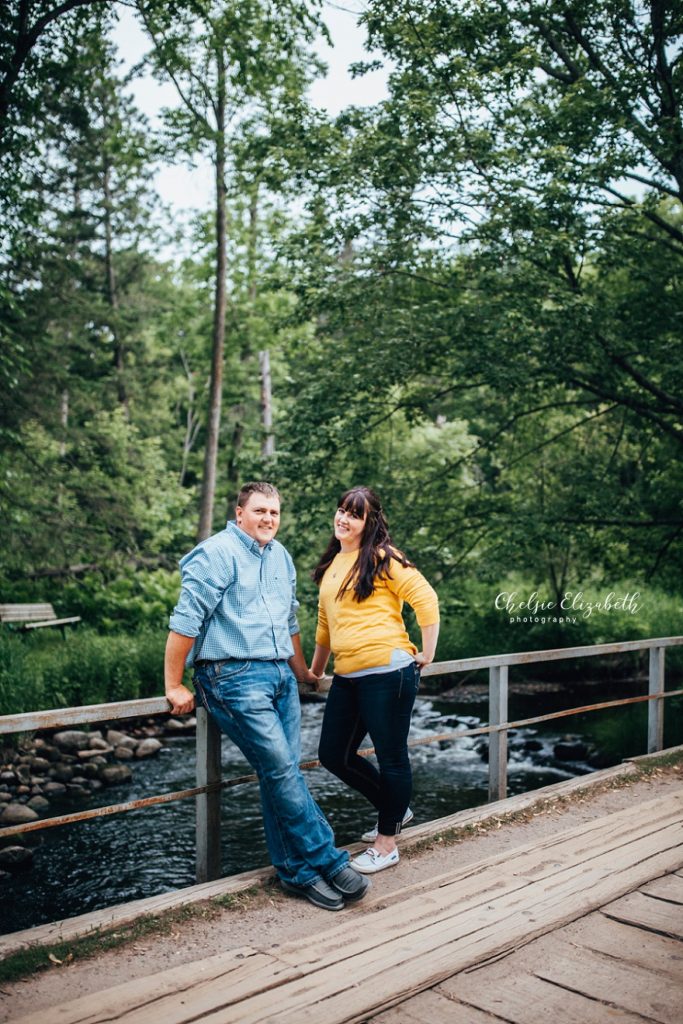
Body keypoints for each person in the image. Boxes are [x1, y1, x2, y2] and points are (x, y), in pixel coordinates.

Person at [164, 481, 369, 911]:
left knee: (283, 772)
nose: (268, 519)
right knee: (280, 768)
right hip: (231, 675)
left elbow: (288, 619)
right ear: (239, 513)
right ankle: (327, 860)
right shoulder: (216, 552)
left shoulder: (281, 556)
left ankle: (296, 873)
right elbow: (185, 619)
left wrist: (304, 671)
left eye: (274, 513)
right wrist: (174, 683)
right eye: (259, 511)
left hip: (280, 676)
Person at [311, 486, 439, 874]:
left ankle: (387, 844)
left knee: (392, 756)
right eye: (340, 511)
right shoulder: (333, 564)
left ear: (369, 522)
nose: (343, 519)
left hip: (389, 672)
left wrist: (428, 653)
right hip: (348, 677)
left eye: (354, 514)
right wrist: (315, 672)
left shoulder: (384, 557)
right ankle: (396, 808)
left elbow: (426, 599)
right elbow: (324, 626)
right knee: (333, 754)